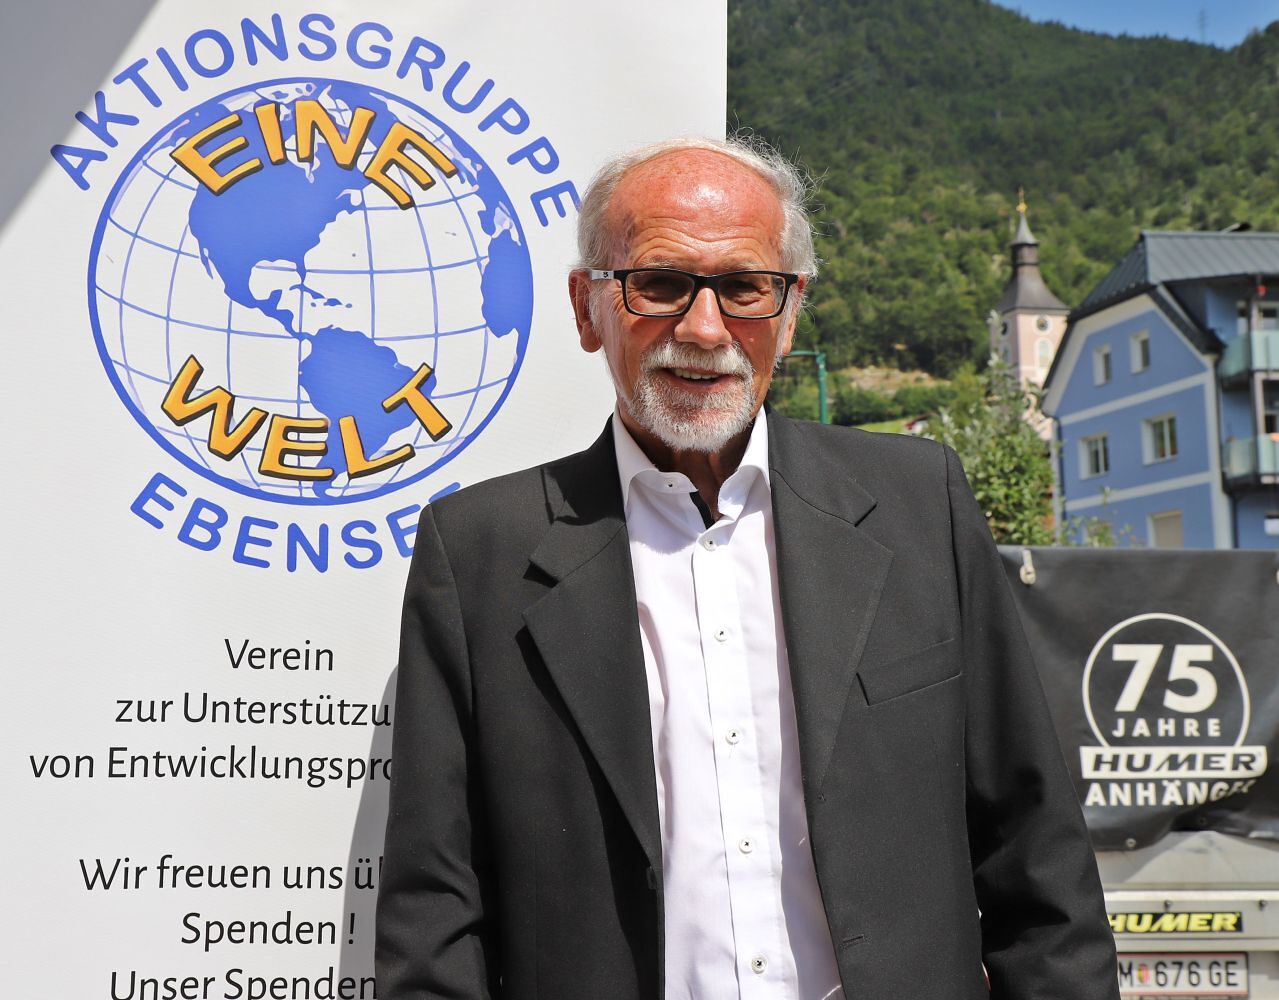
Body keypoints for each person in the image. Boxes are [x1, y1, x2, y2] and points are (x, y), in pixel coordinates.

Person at [376, 136, 1119, 1000]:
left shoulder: (919, 506)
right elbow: (436, 912)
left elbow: (1036, 852)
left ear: (789, 310)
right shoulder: (480, 552)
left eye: (743, 287)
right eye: (659, 283)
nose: (704, 329)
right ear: (587, 308)